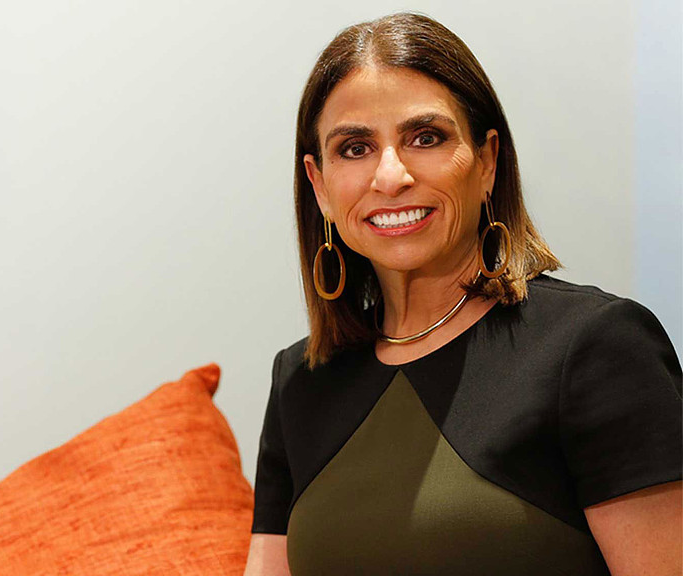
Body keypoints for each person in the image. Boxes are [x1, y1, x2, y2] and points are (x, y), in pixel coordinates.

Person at [243, 12, 682, 576]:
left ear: (487, 161)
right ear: (319, 185)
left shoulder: (598, 347)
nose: (391, 175)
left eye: (425, 138)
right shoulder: (300, 380)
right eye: (355, 148)